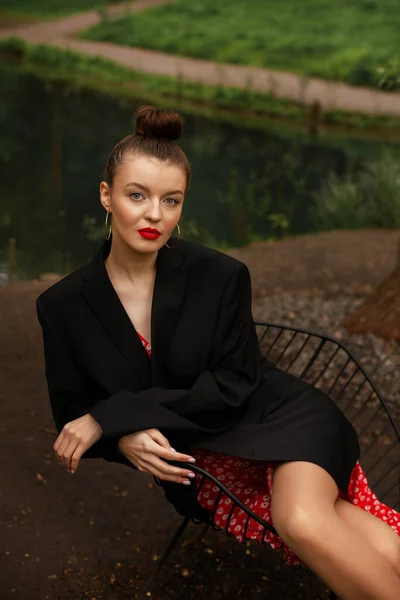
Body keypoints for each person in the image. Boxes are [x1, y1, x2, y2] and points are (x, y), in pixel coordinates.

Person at [36, 105, 400, 600]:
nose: (154, 215)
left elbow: (233, 386)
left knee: (302, 520)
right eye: (137, 195)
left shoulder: (220, 276)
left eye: (171, 200)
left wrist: (115, 414)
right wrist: (119, 437)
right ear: (106, 196)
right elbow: (74, 419)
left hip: (279, 421)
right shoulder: (62, 306)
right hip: (202, 464)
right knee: (360, 536)